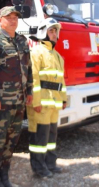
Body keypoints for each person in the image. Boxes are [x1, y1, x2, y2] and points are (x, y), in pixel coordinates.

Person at [0, 6, 33, 187]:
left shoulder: (22, 41)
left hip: (19, 102)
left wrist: (30, 91)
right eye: (8, 17)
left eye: (15, 17)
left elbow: (29, 69)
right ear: (0, 20)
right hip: (1, 103)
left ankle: (5, 177)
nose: (13, 20)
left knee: (11, 142)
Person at [27, 18, 67, 178]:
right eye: (51, 30)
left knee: (51, 137)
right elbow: (33, 79)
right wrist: (36, 102)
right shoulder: (36, 52)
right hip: (41, 104)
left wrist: (63, 99)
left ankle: (50, 164)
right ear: (43, 32)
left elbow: (61, 80)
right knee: (39, 138)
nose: (55, 34)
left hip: (53, 104)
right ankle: (39, 168)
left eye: (56, 31)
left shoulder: (57, 55)